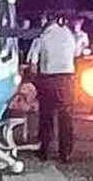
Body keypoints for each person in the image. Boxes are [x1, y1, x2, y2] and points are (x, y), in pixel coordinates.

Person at [26, 17, 77, 162]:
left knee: (46, 116)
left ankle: (44, 150)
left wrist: (32, 81)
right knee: (66, 116)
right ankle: (65, 153)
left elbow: (33, 65)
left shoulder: (42, 38)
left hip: (48, 79)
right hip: (66, 79)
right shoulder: (69, 35)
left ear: (47, 21)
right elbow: (76, 54)